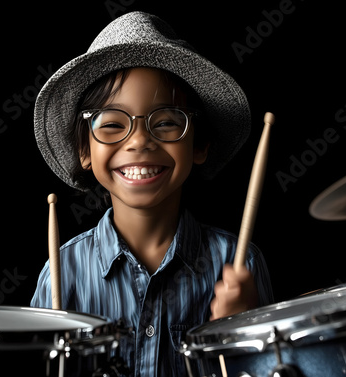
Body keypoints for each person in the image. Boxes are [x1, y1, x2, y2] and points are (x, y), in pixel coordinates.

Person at [31, 11, 274, 376]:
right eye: (112, 124)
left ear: (200, 144)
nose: (140, 140)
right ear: (85, 151)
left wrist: (244, 333)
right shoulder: (62, 274)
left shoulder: (241, 265)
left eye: (166, 123)